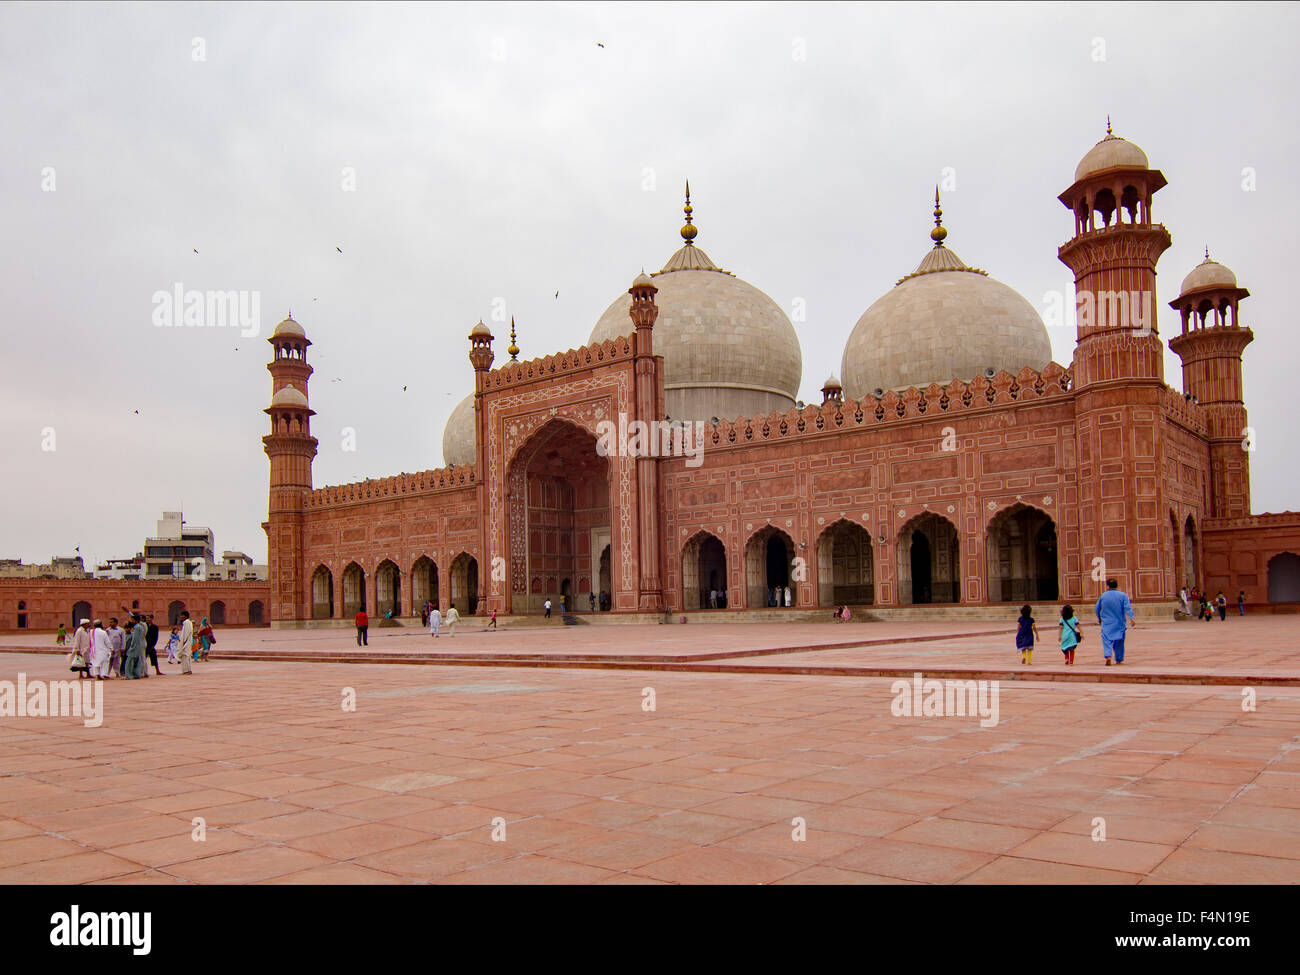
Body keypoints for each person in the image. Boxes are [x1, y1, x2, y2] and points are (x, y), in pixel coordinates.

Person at [1095, 578, 1137, 665]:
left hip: (1107, 623)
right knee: (1119, 641)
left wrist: (1099, 617)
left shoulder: (1103, 596)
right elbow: (1127, 607)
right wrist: (1132, 618)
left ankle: (1108, 655)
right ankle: (1118, 659)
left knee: (1106, 640)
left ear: (1107, 586)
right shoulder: (1123, 596)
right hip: (1119, 623)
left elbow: (1097, 608)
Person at [124, 614, 146, 679]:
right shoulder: (140, 627)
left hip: (135, 646)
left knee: (129, 662)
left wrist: (132, 647)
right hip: (139, 646)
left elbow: (135, 638)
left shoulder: (136, 627)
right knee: (137, 662)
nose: (131, 621)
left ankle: (129, 676)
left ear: (136, 620)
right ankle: (137, 674)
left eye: (132, 620)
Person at [178, 611, 194, 675]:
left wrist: (184, 642)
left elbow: (186, 633)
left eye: (182, 615)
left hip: (186, 642)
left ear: (186, 616)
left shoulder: (187, 623)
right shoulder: (187, 622)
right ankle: (186, 670)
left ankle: (187, 670)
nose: (181, 617)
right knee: (185, 656)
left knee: (186, 656)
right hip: (187, 641)